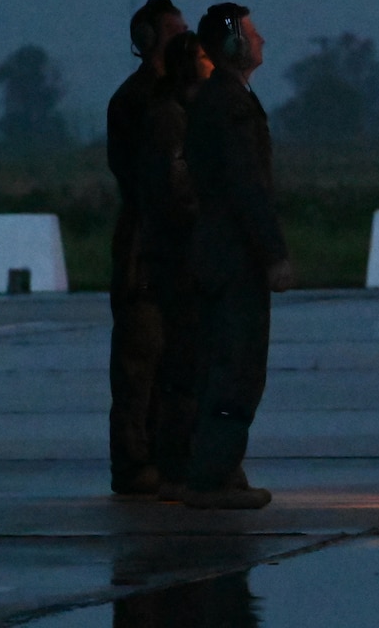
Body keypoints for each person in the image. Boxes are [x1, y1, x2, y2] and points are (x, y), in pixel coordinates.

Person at [176, 2, 295, 510]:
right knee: (237, 367)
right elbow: (247, 187)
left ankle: (220, 468)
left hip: (217, 252)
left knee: (223, 363)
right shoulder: (230, 105)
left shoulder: (221, 100)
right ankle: (211, 478)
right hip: (233, 256)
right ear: (232, 46)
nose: (262, 39)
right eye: (252, 33)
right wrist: (274, 255)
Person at [105, 0, 187, 495]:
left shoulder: (174, 96)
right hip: (144, 242)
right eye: (174, 30)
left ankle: (162, 456)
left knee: (171, 361)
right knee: (140, 361)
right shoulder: (139, 100)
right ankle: (134, 464)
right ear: (148, 40)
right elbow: (142, 178)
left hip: (169, 242)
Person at [135, 31, 211, 491]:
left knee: (190, 361)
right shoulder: (171, 119)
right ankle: (177, 465)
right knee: (184, 362)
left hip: (181, 251)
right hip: (178, 256)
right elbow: (178, 186)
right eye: (203, 58)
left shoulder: (180, 115)